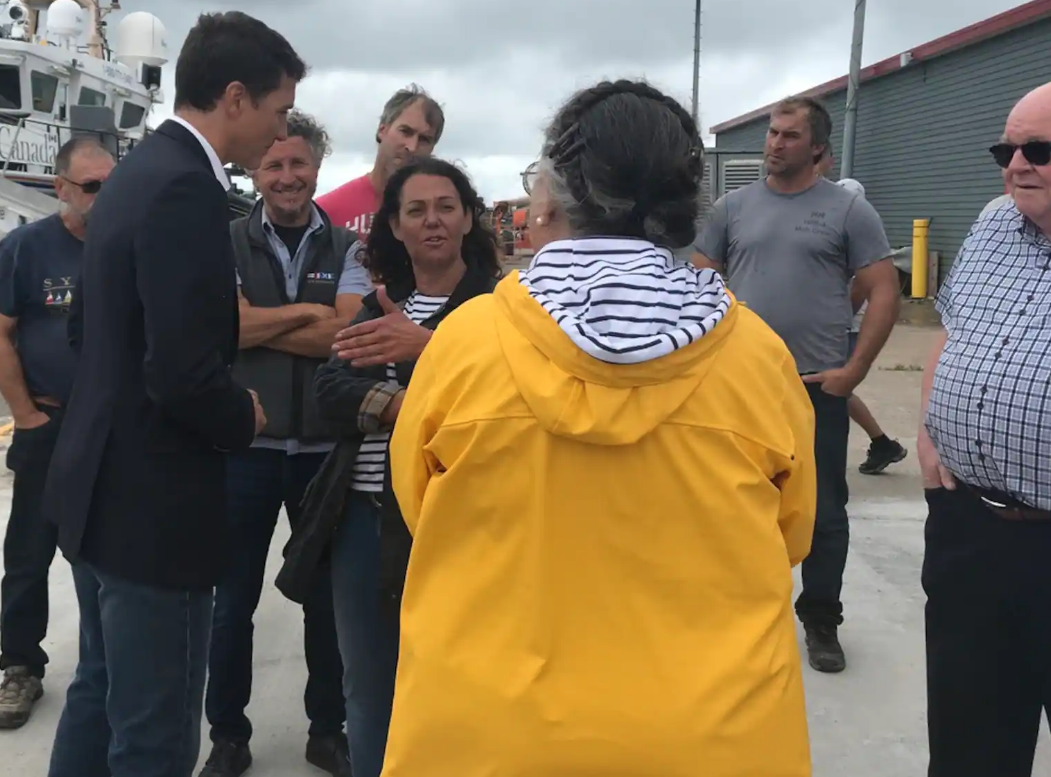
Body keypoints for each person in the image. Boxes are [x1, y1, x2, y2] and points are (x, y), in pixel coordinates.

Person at [379, 80, 817, 777]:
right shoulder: (759, 358)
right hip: (712, 740)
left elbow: (419, 509)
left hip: (489, 738)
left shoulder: (464, 345)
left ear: (549, 198)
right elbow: (792, 533)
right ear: (684, 207)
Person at [42, 11, 303, 777]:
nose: (280, 132)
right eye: (278, 110)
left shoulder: (131, 178)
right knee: (155, 736)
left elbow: (89, 333)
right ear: (233, 98)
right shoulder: (187, 189)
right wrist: (240, 415)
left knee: (99, 694)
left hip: (95, 493)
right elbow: (183, 372)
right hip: (154, 512)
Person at [278, 157, 501, 777]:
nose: (432, 220)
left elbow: (512, 398)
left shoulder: (501, 310)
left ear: (466, 218)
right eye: (416, 210)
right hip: (366, 520)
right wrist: (411, 404)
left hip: (460, 525)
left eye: (446, 206)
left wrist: (426, 357)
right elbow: (331, 392)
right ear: (395, 228)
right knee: (369, 688)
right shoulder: (380, 308)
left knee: (463, 685)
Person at [691, 95, 899, 674]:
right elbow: (703, 281)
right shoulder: (733, 208)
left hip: (815, 390)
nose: (774, 143)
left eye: (787, 135)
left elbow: (884, 289)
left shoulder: (847, 211)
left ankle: (821, 620)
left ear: (817, 149)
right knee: (729, 505)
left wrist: (853, 371)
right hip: (741, 388)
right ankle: (734, 613)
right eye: (772, 133)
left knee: (824, 512)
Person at [199, 111, 367, 777]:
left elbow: (346, 339)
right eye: (275, 166)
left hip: (324, 454)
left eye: (298, 164)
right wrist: (307, 315)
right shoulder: (225, 242)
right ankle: (228, 737)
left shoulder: (351, 250)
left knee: (327, 603)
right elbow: (226, 330)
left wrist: (260, 323)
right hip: (247, 449)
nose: (288, 177)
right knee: (231, 603)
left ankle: (327, 729)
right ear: (256, 174)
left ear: (316, 168)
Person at [917, 81, 1051, 777]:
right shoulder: (996, 222)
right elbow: (953, 325)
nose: (1016, 165)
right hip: (973, 529)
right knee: (971, 748)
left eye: (1040, 150)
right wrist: (929, 432)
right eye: (1007, 148)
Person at [0, 137, 115, 729]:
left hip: (112, 431)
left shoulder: (126, 249)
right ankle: (20, 669)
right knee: (30, 553)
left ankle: (109, 663)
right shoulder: (25, 250)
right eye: (92, 188)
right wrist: (26, 416)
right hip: (50, 423)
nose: (104, 198)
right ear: (61, 189)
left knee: (110, 554)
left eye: (114, 186)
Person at [833, 178, 908, 474]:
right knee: (835, 392)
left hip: (847, 328)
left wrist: (838, 320)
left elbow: (864, 286)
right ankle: (882, 444)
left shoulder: (856, 235)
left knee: (833, 391)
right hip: (846, 326)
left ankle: (881, 444)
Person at [314, 86, 443, 241]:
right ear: (382, 130)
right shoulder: (325, 212)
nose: (412, 146)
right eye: (405, 132)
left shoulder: (441, 218)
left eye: (424, 140)